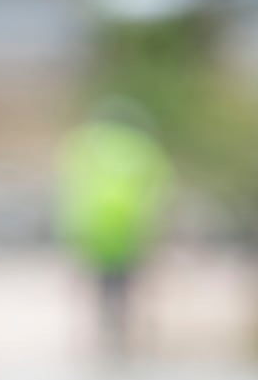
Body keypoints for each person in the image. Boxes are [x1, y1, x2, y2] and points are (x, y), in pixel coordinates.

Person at [54, 100, 173, 359]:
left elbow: (72, 187)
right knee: (126, 282)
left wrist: (71, 229)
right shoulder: (145, 147)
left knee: (101, 281)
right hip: (132, 226)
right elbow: (159, 191)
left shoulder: (85, 143)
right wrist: (156, 229)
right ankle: (122, 331)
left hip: (96, 226)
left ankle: (105, 331)